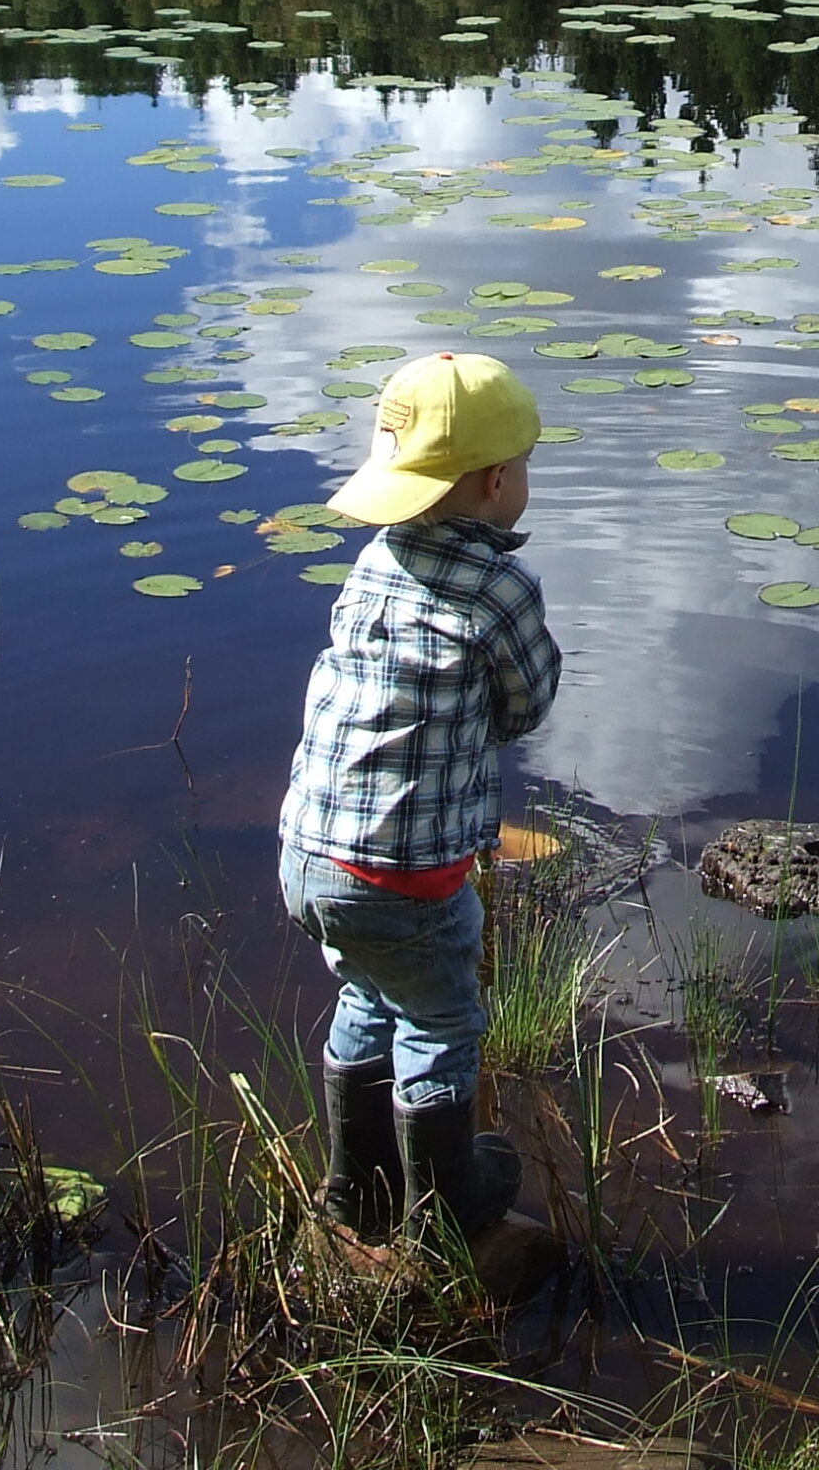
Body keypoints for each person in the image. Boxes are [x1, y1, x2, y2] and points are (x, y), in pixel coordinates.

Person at [277, 350, 562, 1245]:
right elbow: (528, 701)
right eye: (521, 469)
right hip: (405, 877)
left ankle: (353, 1190)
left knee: (367, 995)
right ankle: (450, 1210)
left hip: (311, 856)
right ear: (494, 481)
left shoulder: (374, 562)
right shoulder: (500, 585)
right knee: (442, 1019)